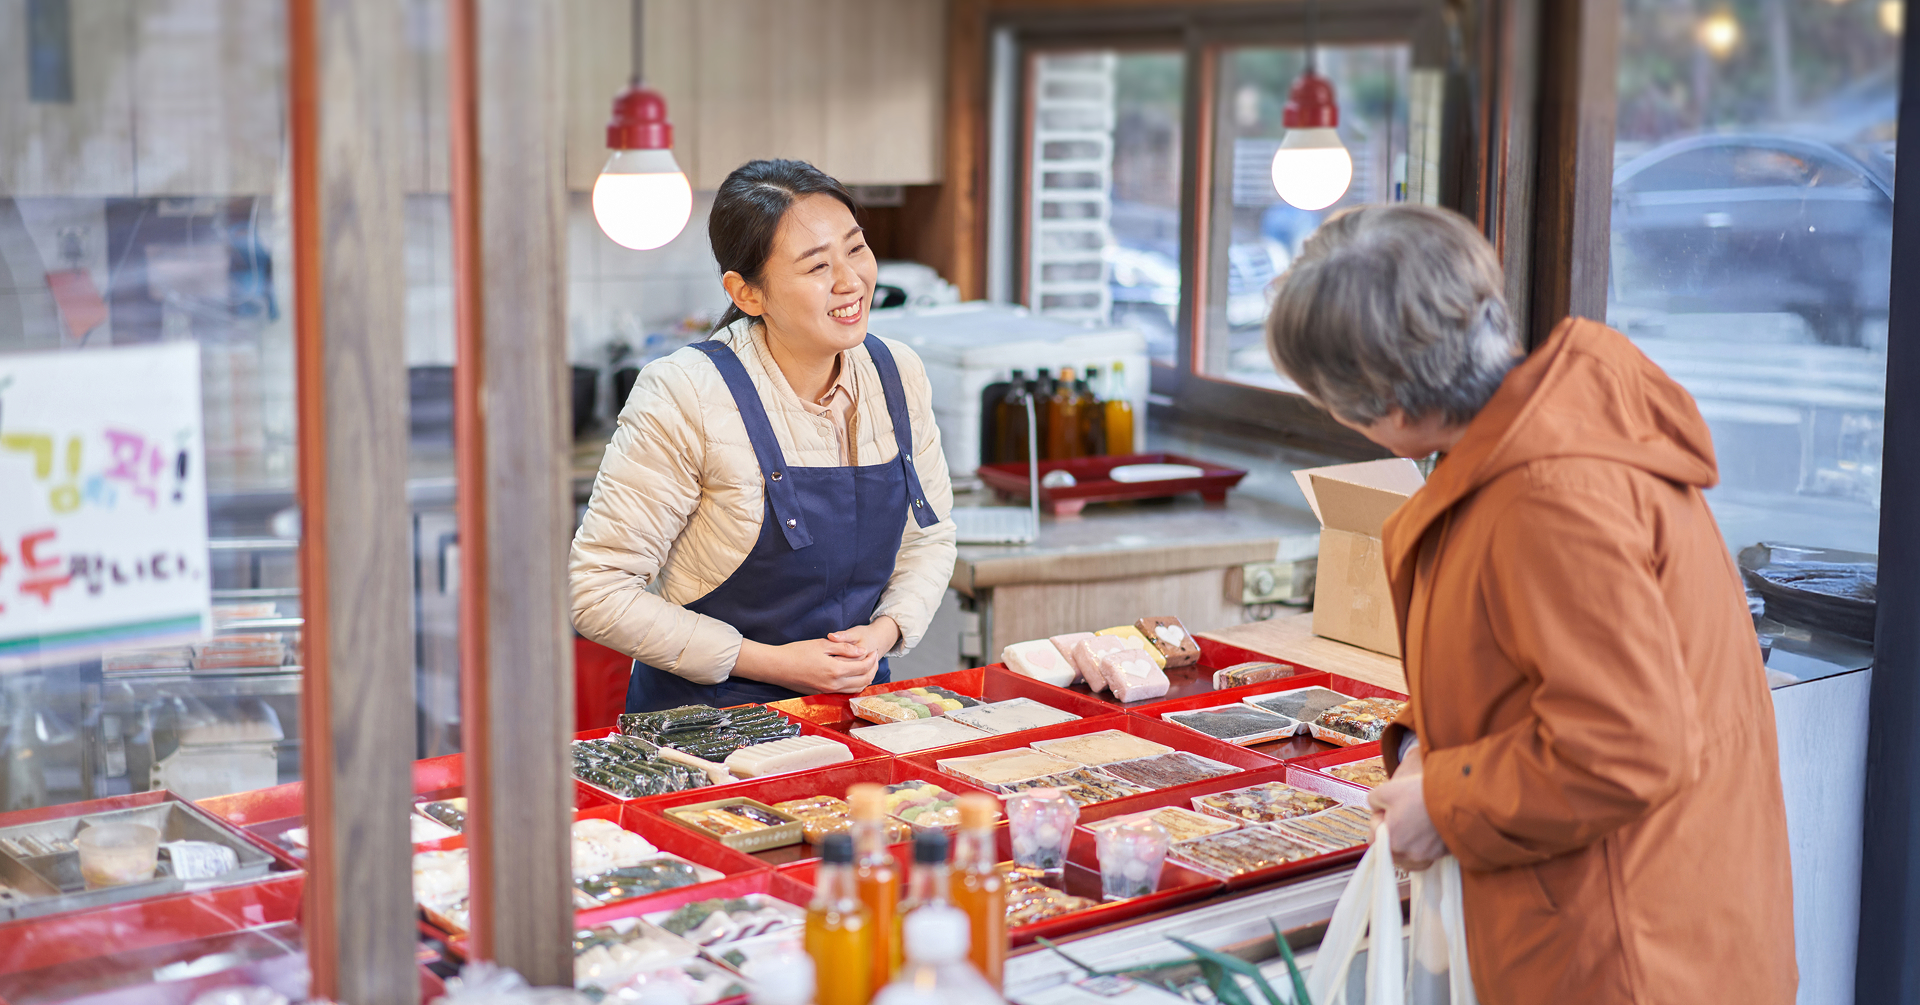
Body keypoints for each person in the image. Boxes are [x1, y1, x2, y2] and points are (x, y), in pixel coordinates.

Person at [1265, 204, 1796, 1004]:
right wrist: (1427, 745)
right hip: (1643, 916)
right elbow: (1540, 668)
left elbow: (1622, 744)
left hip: (1629, 955)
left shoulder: (1547, 495)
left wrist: (1445, 802)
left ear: (1390, 405)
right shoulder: (1544, 432)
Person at [570, 159, 957, 712]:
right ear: (747, 294)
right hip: (702, 727)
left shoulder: (897, 374)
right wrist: (775, 664)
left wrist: (882, 634)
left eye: (856, 248)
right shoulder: (686, 391)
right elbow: (597, 592)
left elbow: (929, 537)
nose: (850, 281)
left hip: (854, 711)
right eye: (816, 265)